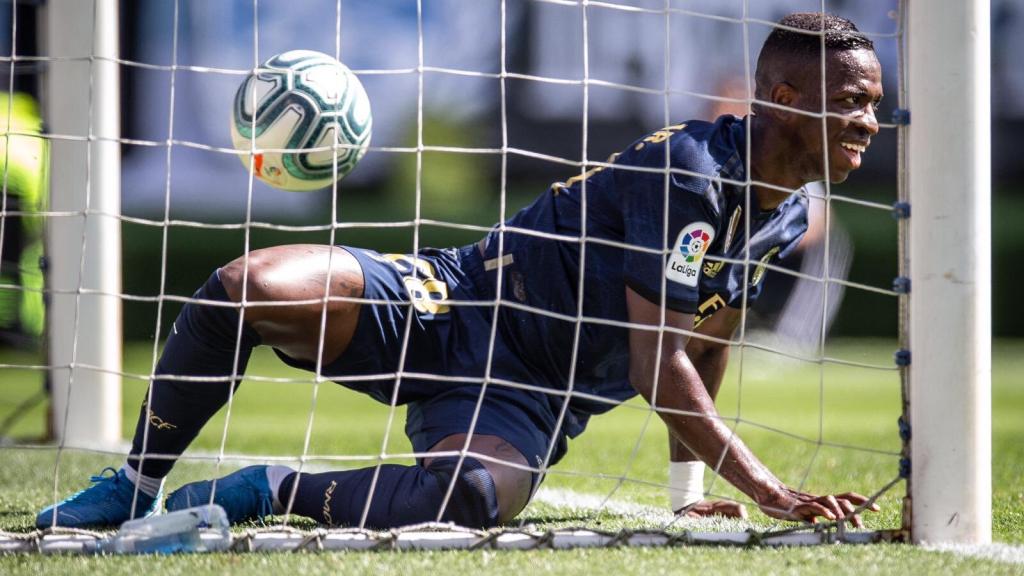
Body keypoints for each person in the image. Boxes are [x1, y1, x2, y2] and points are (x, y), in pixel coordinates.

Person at [36, 12, 883, 530]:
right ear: (782, 95)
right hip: (455, 299)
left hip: (527, 399)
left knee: (473, 499)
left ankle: (271, 488)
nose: (871, 121)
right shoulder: (692, 176)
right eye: (852, 101)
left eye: (874, 103)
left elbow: (705, 342)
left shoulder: (787, 213)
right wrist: (769, 487)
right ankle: (134, 483)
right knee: (248, 284)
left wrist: (684, 492)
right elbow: (656, 370)